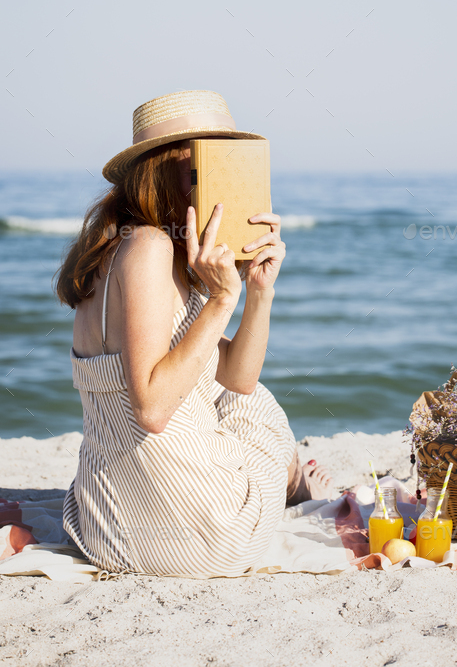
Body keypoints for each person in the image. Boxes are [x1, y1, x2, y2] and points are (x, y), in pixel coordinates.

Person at [55, 90, 333, 577]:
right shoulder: (149, 249)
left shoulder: (121, 247)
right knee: (258, 411)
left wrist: (258, 290)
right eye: (205, 158)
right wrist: (222, 300)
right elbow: (152, 408)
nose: (225, 174)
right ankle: (293, 483)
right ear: (162, 167)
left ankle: (287, 479)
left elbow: (236, 377)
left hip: (108, 530)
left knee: (241, 396)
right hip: (205, 535)